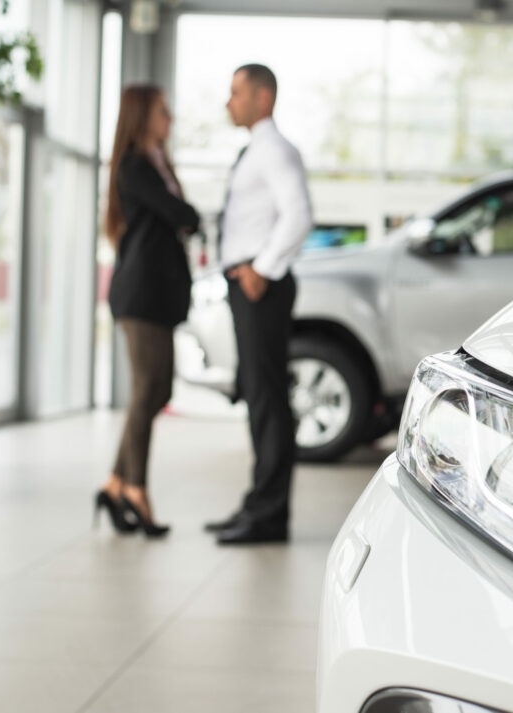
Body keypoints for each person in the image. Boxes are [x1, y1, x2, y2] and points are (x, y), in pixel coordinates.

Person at [205, 64, 313, 545]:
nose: (229, 102)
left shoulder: (274, 151)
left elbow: (299, 215)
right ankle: (258, 504)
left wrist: (261, 269)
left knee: (267, 397)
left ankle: (268, 515)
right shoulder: (257, 149)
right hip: (250, 283)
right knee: (258, 393)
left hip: (260, 286)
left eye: (236, 93)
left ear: (262, 97)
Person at [97, 84, 200, 538]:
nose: (170, 118)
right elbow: (179, 213)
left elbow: (181, 215)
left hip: (155, 296)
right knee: (147, 390)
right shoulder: (137, 166)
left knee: (156, 391)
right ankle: (135, 488)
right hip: (140, 297)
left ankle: (116, 482)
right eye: (162, 111)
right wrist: (188, 213)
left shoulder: (154, 163)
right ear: (142, 116)